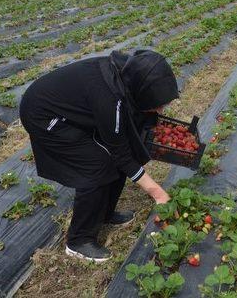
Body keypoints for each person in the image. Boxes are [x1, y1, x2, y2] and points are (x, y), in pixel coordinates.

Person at [19, 49, 178, 263]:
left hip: (68, 108)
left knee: (114, 156)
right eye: (157, 104)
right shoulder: (109, 97)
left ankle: (104, 213)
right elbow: (120, 153)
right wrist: (157, 193)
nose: (160, 110)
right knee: (95, 164)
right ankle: (78, 241)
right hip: (43, 115)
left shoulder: (127, 77)